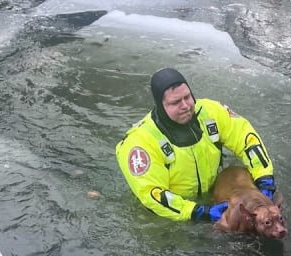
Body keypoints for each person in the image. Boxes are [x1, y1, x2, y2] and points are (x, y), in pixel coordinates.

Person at [116, 67, 277, 222]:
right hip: (170, 215)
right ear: (160, 106)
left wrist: (264, 178)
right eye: (175, 102)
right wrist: (197, 212)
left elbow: (246, 139)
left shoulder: (211, 111)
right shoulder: (140, 142)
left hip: (215, 193)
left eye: (187, 97)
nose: (185, 106)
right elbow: (151, 194)